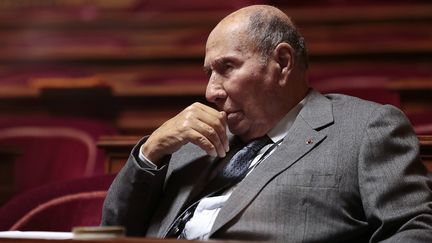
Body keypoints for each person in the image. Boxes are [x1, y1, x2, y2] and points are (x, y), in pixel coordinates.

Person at [102, 5, 432, 242]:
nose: (210, 91)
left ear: (282, 62)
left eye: (227, 67)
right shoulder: (193, 140)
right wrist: (151, 151)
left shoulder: (366, 129)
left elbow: (414, 230)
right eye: (208, 73)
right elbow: (113, 231)